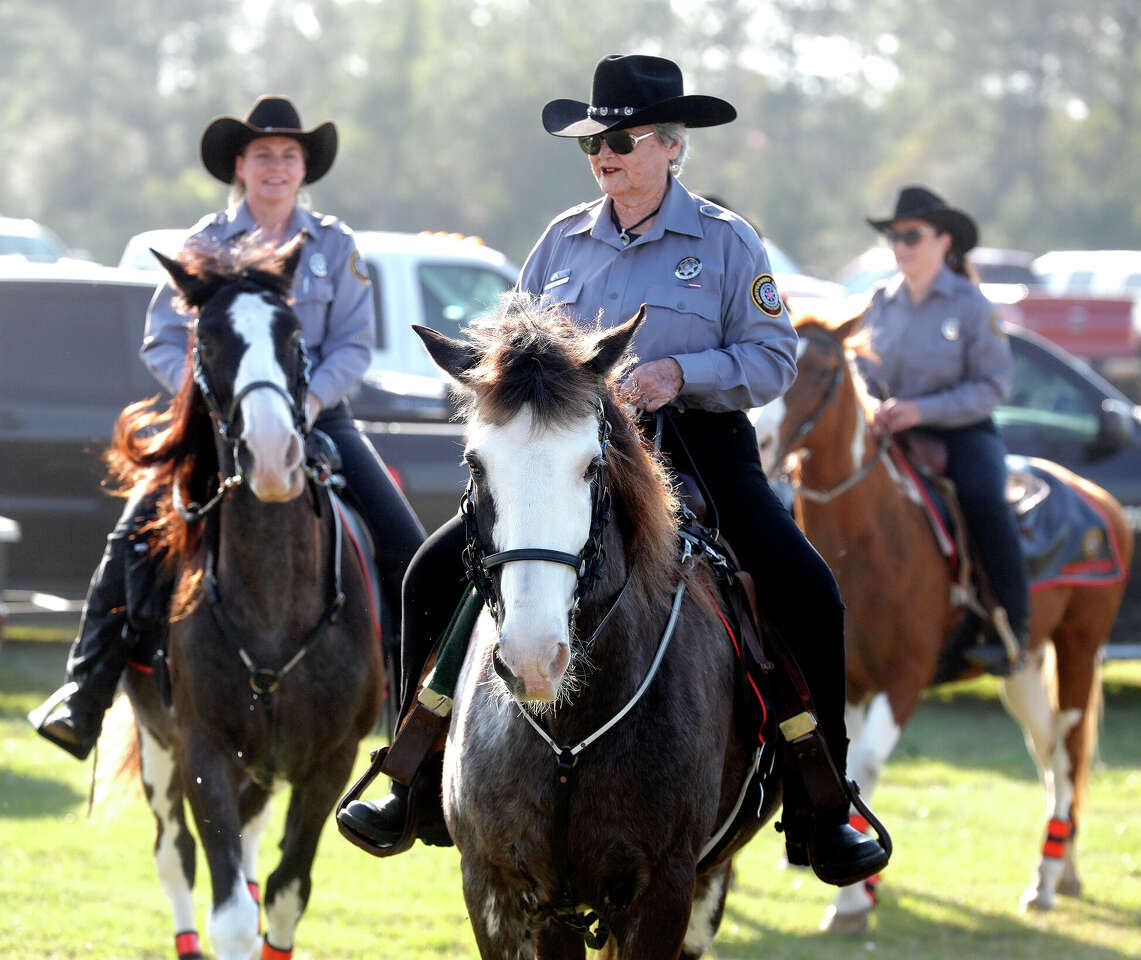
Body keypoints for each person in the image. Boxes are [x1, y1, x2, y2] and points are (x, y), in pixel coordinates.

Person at [339, 54, 888, 885]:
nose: (604, 155)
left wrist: (679, 373)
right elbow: (511, 357)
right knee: (424, 575)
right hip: (561, 461)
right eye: (595, 143)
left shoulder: (730, 242)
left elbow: (772, 359)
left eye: (622, 140)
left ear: (671, 145)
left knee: (806, 587)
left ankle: (825, 802)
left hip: (697, 447)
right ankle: (410, 777)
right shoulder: (560, 240)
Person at [28, 95, 426, 759]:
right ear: (240, 165)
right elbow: (161, 341)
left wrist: (305, 404)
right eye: (263, 154)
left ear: (305, 169)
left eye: (289, 155)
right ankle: (85, 692)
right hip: (218, 427)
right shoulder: (203, 244)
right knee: (131, 534)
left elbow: (355, 345)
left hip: (320, 417)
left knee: (410, 549)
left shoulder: (335, 245)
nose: (276, 166)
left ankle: (419, 727)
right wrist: (217, 400)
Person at [857, 184, 1030, 674]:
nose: (901, 246)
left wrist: (920, 410)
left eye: (912, 235)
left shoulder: (972, 305)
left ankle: (1011, 626)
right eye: (894, 236)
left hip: (962, 432)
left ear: (944, 241)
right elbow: (863, 373)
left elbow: (993, 386)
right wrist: (875, 406)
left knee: (982, 497)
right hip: (889, 430)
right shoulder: (880, 301)